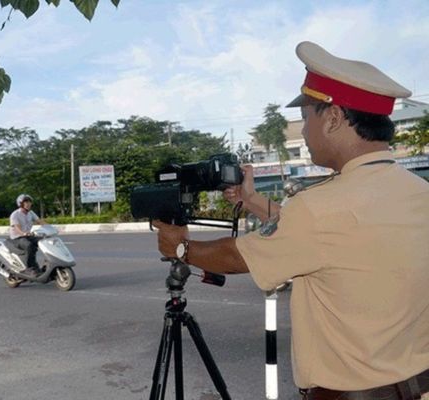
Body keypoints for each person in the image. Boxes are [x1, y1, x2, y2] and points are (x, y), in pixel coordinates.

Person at [153, 41, 429, 400]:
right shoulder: (416, 190)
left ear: (333, 118)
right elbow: (332, 241)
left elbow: (241, 256)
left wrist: (179, 246)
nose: (303, 130)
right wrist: (252, 201)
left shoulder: (321, 207)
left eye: (306, 116)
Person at [10, 194, 47, 277]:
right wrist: (23, 233)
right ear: (20, 204)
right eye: (26, 202)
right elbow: (17, 228)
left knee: (45, 241)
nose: (28, 203)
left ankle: (46, 263)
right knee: (29, 245)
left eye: (29, 201)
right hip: (17, 238)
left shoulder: (31, 213)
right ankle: (28, 268)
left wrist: (50, 227)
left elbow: (39, 221)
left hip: (28, 236)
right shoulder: (15, 214)